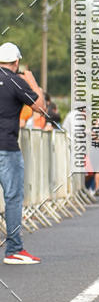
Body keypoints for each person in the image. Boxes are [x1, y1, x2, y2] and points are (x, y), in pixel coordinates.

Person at [0, 42, 46, 264]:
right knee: (13, 198)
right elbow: (40, 107)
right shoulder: (15, 81)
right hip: (6, 148)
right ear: (16, 62)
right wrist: (32, 81)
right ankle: (14, 249)